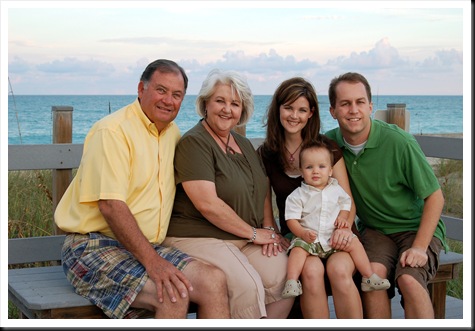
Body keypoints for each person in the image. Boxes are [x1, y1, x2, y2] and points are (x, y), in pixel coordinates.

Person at [54, 59, 230, 319]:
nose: (168, 100)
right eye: (161, 90)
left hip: (144, 246)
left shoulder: (173, 134)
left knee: (214, 281)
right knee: (172, 294)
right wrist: (154, 263)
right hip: (92, 245)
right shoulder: (112, 131)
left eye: (176, 95)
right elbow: (111, 206)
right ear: (141, 89)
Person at [163, 69, 294, 319]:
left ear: (242, 111)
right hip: (199, 236)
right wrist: (255, 234)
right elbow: (207, 204)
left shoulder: (243, 144)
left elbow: (262, 187)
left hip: (243, 236)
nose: (227, 109)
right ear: (205, 104)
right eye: (220, 101)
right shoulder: (195, 143)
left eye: (235, 104)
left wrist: (270, 230)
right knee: (246, 285)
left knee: (284, 276)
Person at [325, 72, 447, 319]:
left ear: (370, 106)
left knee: (410, 281)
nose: (353, 110)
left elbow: (435, 197)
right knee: (372, 278)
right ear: (333, 111)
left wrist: (421, 248)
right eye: (345, 104)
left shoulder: (399, 142)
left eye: (360, 102)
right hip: (375, 231)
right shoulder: (329, 144)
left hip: (416, 229)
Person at [257, 77, 363, 318]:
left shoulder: (327, 148)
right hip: (300, 239)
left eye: (302, 109)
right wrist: (273, 234)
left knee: (338, 270)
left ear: (311, 113)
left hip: (337, 234)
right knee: (311, 272)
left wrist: (345, 228)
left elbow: (347, 200)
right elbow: (266, 209)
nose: (294, 115)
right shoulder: (267, 154)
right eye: (289, 108)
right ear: (278, 109)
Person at [282, 141, 390, 299]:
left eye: (321, 166)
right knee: (297, 250)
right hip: (310, 239)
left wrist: (343, 218)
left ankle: (368, 276)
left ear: (331, 170)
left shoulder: (336, 190)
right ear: (301, 171)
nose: (315, 171)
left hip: (333, 238)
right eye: (309, 167)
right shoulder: (298, 195)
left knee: (354, 242)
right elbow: (291, 219)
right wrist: (302, 233)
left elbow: (346, 203)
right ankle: (291, 281)